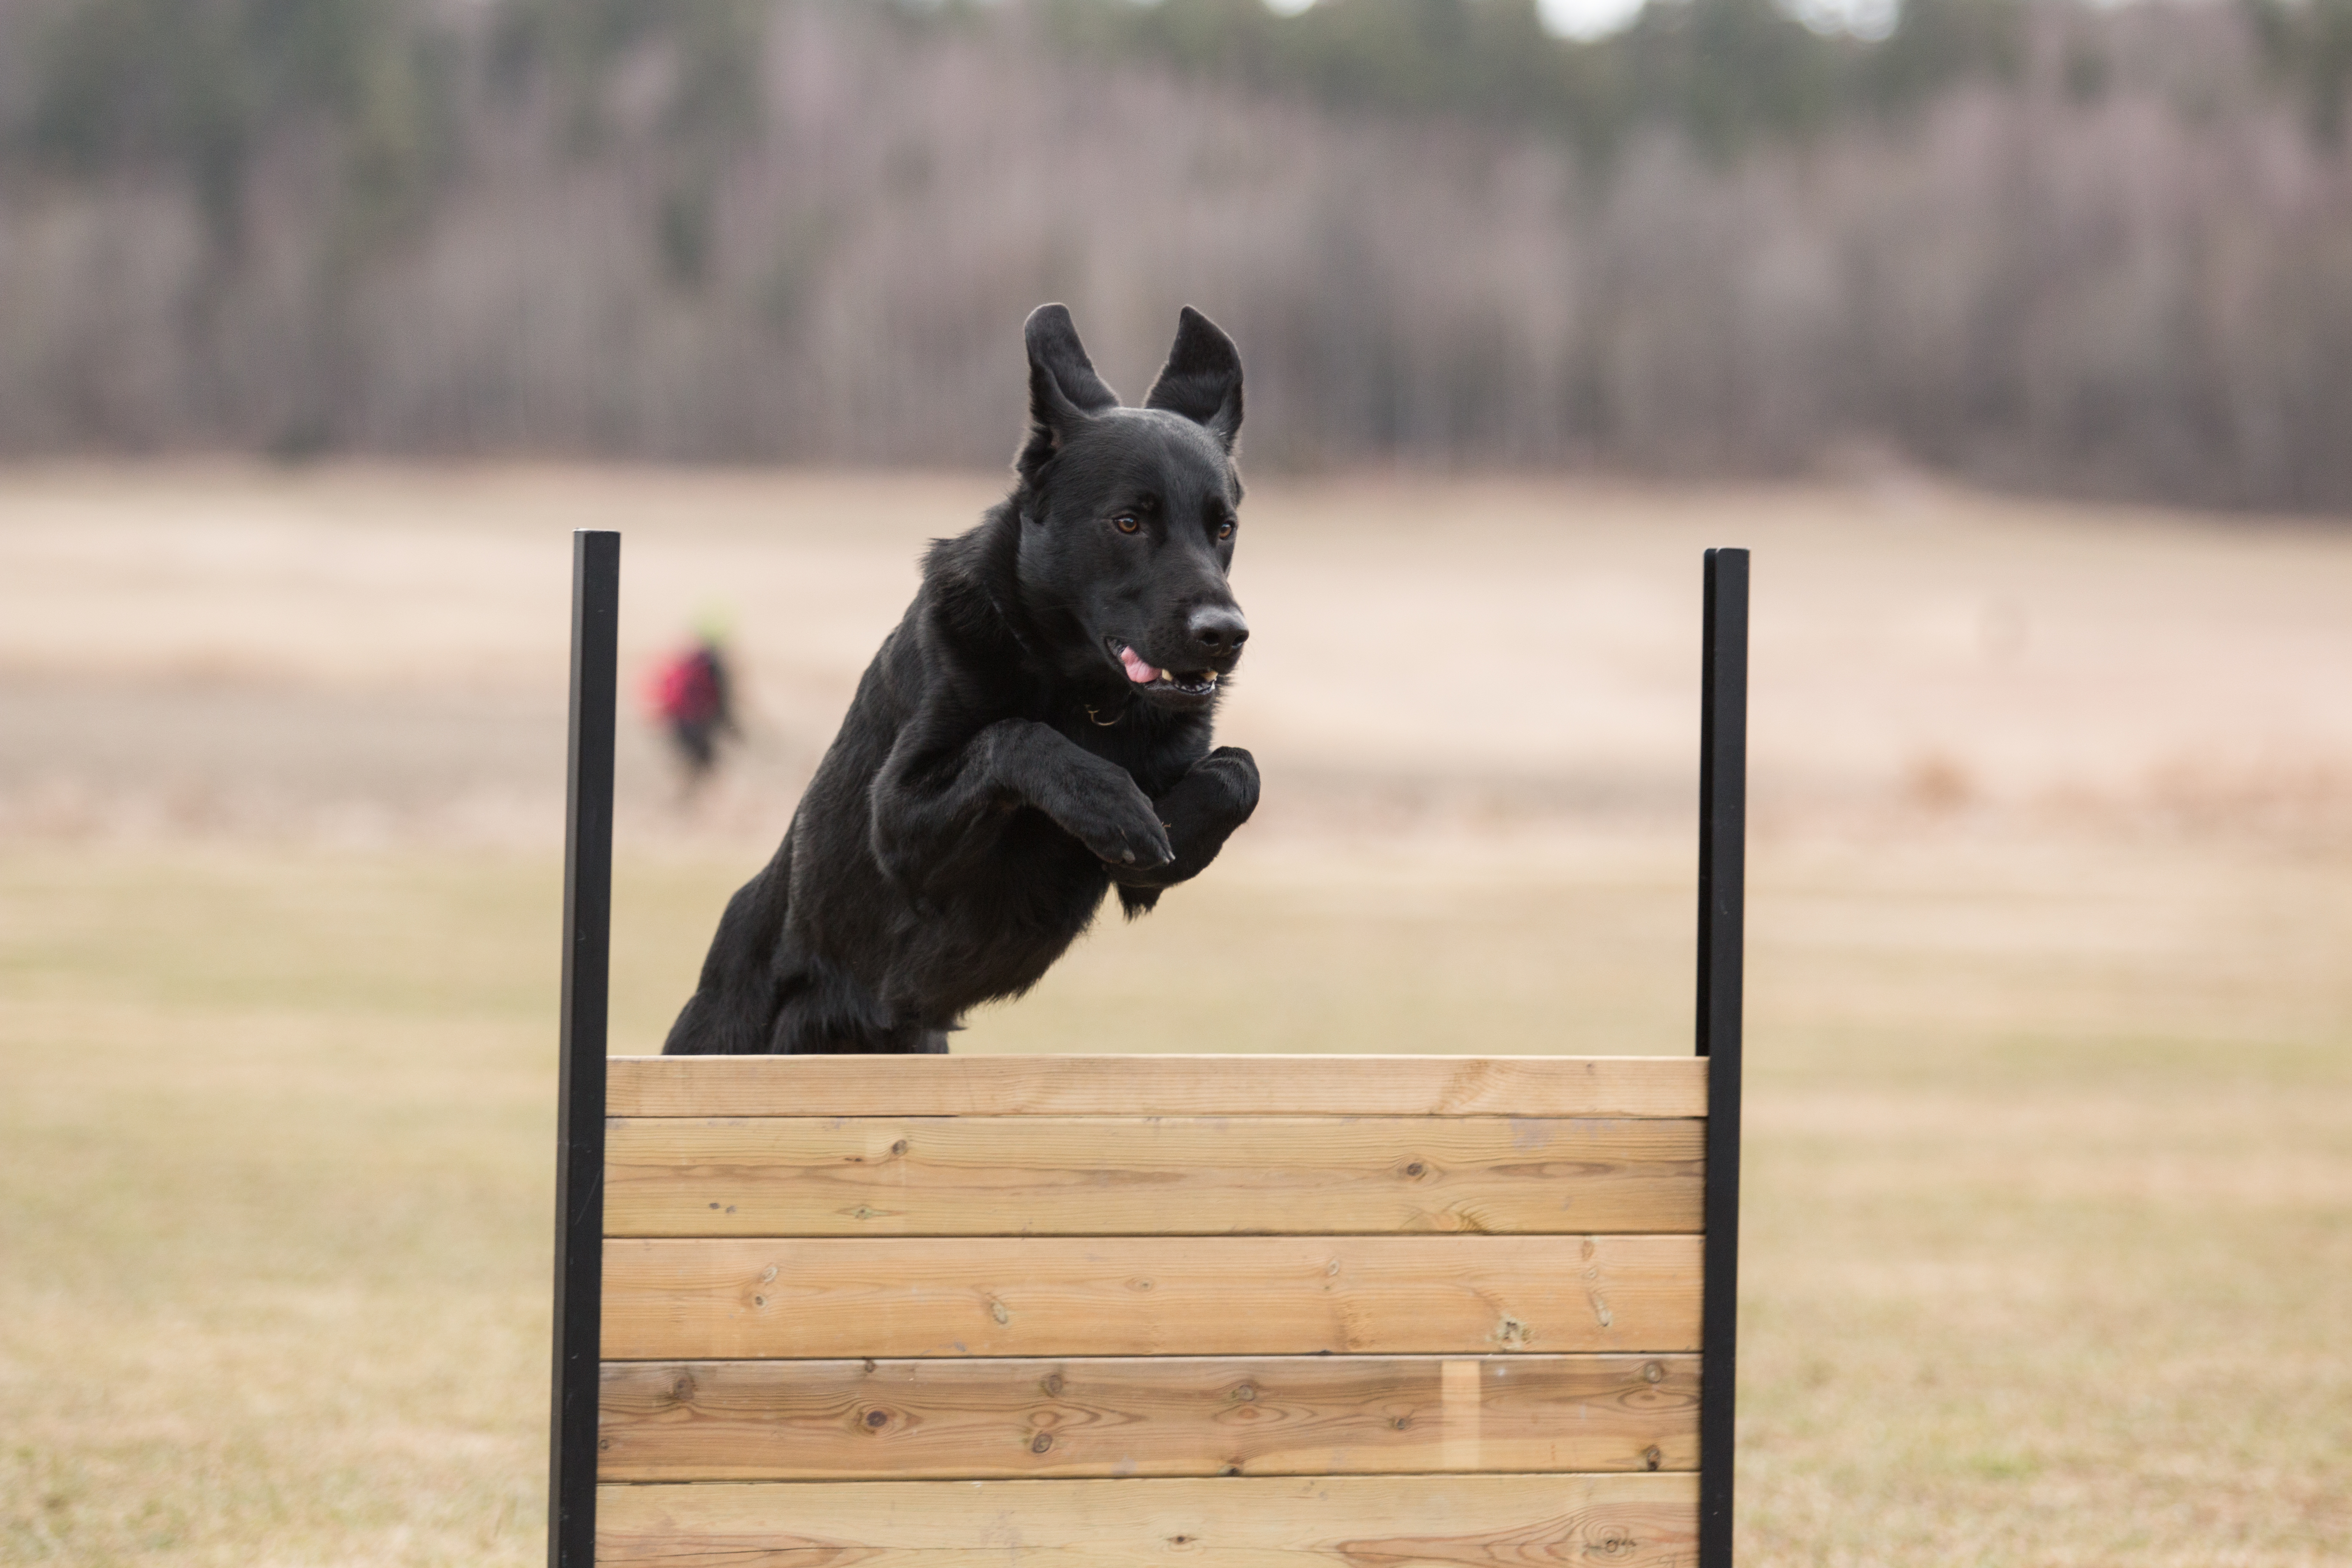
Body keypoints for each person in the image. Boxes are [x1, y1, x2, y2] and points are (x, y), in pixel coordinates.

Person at [646, 617, 738, 796]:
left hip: (677, 719)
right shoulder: (711, 665)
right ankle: (690, 798)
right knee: (703, 762)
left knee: (696, 762)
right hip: (693, 721)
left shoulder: (690, 660)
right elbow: (721, 697)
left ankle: (688, 797)